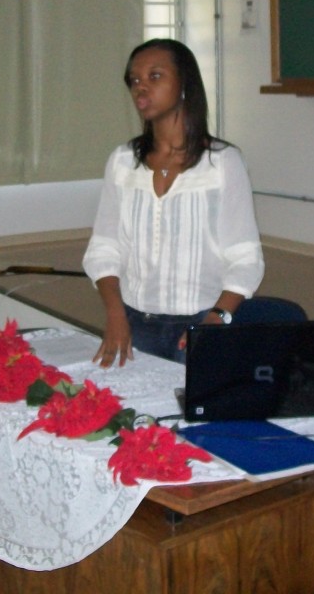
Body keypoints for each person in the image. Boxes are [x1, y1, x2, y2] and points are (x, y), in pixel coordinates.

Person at [82, 38, 264, 368]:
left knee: (190, 418)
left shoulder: (223, 163)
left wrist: (216, 319)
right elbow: (104, 248)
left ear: (184, 84)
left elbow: (245, 257)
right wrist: (115, 314)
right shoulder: (123, 162)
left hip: (199, 323)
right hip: (133, 322)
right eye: (134, 80)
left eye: (154, 76)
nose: (140, 88)